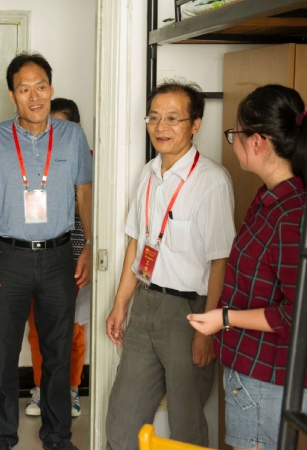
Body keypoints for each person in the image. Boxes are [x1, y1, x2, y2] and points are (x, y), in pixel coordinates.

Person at [188, 84, 307, 450]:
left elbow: (299, 315)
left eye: (235, 134)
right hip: (257, 374)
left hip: (270, 380)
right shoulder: (271, 198)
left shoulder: (293, 216)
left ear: (257, 142)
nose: (232, 143)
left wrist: (224, 318)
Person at [105, 79, 235, 450]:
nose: (161, 126)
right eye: (154, 117)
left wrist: (205, 331)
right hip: (145, 305)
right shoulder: (149, 173)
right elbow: (137, 243)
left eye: (173, 118)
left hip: (190, 313)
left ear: (195, 125)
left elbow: (221, 262)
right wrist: (120, 305)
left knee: (186, 426)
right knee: (123, 422)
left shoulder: (211, 181)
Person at [0, 53, 93, 450]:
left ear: (51, 88)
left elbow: (84, 194)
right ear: (12, 95)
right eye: (24, 89)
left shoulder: (73, 136)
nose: (35, 96)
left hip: (59, 256)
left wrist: (89, 246)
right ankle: (1, 437)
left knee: (57, 350)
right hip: (8, 257)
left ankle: (57, 436)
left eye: (41, 86)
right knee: (2, 351)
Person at [25, 98, 88, 419]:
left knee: (72, 331)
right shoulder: (36, 159)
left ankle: (72, 389)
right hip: (39, 257)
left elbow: (90, 206)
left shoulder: (86, 161)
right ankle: (41, 388)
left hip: (75, 258)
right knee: (38, 330)